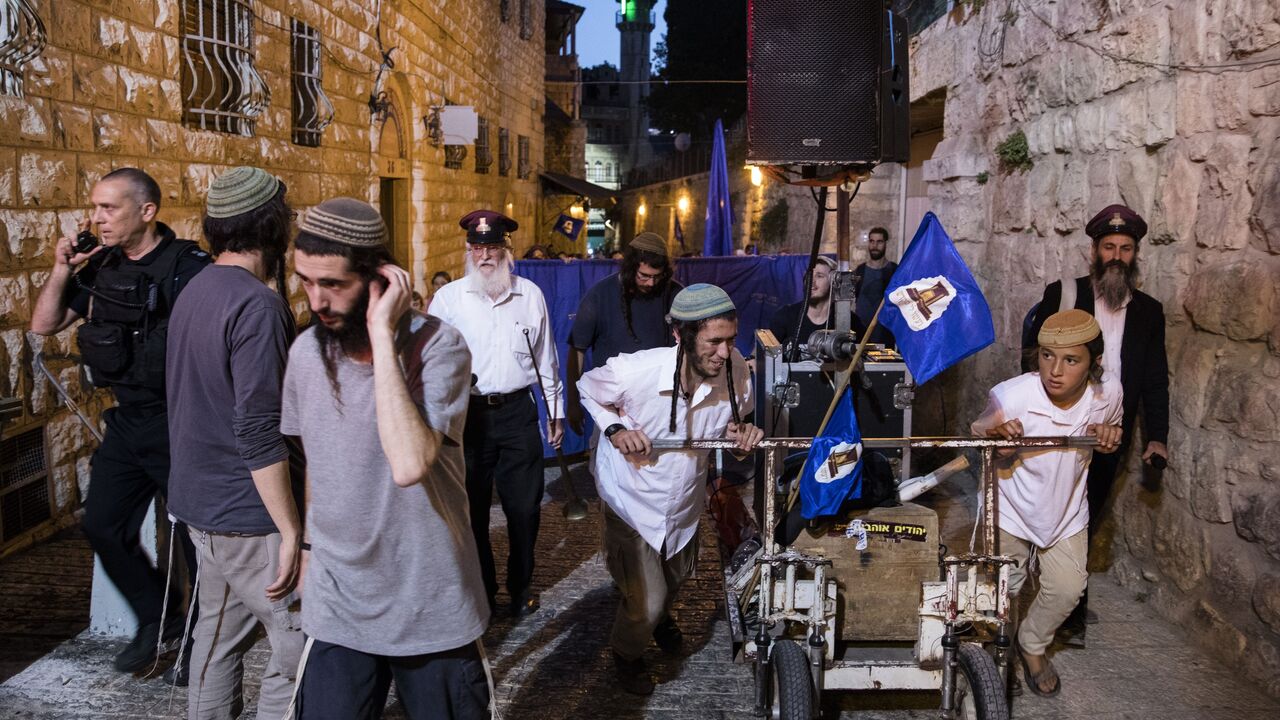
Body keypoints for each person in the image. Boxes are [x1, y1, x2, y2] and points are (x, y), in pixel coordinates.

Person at [280, 197, 490, 718]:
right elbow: (319, 460)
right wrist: (306, 545)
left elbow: (410, 463)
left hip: (429, 598)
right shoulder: (306, 352)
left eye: (333, 285)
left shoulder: (440, 348)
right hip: (338, 600)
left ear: (380, 278)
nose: (316, 301)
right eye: (306, 281)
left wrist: (380, 334)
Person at [29, 167, 210, 674]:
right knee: (104, 525)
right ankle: (159, 616)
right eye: (96, 207)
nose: (97, 218)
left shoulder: (186, 267)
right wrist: (64, 267)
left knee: (197, 540)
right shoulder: (101, 266)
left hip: (179, 422)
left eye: (109, 208)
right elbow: (44, 325)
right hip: (128, 422)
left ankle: (203, 637)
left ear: (146, 212)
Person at [577, 283, 764, 695]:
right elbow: (588, 387)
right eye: (714, 341)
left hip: (683, 504)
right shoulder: (635, 371)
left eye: (732, 340)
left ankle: (659, 616)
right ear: (680, 336)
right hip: (633, 501)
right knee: (645, 600)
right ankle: (626, 655)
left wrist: (739, 436)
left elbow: (734, 424)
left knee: (676, 579)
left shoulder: (735, 372)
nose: (725, 351)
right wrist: (615, 428)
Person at [165, 167, 304, 713]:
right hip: (251, 517)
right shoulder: (257, 305)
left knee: (216, 642)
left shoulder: (196, 289)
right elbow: (258, 427)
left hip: (200, 508)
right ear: (274, 226)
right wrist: (291, 528)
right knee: (299, 653)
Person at [1025, 203, 1169, 645]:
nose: (1117, 255)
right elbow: (1034, 359)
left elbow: (1154, 378)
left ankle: (1066, 604)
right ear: (1095, 250)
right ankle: (1048, 599)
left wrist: (1157, 437)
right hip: (1062, 424)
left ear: (1135, 254)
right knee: (1051, 510)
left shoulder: (1149, 311)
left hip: (1110, 432)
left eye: (1126, 248)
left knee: (1086, 512)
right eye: (1109, 246)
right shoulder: (1063, 295)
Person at [971, 309, 1122, 697]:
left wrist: (1109, 436)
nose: (1055, 370)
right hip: (1011, 507)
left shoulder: (1108, 395)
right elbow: (979, 434)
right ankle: (998, 657)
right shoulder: (1013, 395)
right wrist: (998, 441)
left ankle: (1032, 645)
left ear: (1094, 363)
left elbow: (1114, 427)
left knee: (1068, 587)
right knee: (1003, 589)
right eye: (1046, 356)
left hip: (1066, 510)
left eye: (1071, 360)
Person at [430, 210, 564, 619]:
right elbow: (431, 361)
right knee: (469, 512)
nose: (484, 255)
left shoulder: (530, 295)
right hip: (467, 417)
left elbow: (547, 360)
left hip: (517, 414)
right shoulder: (449, 299)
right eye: (477, 247)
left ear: (507, 249)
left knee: (524, 510)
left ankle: (520, 586)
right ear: (469, 251)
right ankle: (482, 590)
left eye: (492, 247)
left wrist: (555, 412)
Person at [566, 232, 682, 435]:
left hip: (661, 405)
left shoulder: (676, 294)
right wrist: (573, 403)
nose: (651, 283)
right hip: (612, 408)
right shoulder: (600, 295)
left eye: (657, 277)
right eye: (644, 276)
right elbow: (577, 350)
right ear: (630, 268)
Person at [767, 256, 867, 360]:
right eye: (809, 276)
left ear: (833, 283)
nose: (812, 281)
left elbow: (866, 356)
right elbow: (767, 355)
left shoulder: (849, 321)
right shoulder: (785, 316)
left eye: (819, 276)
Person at [853, 227, 897, 347]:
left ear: (886, 243)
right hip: (861, 335)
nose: (875, 245)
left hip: (886, 335)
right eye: (872, 241)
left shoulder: (894, 270)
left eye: (879, 241)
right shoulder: (860, 271)